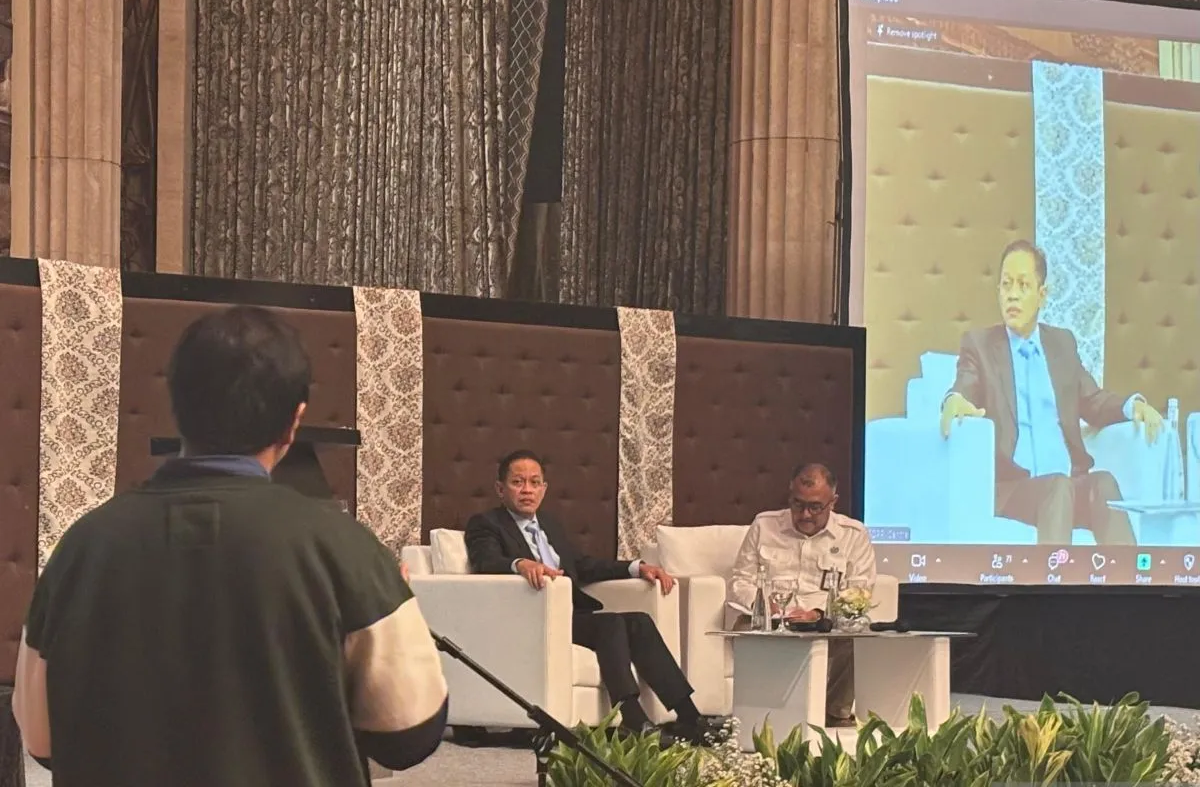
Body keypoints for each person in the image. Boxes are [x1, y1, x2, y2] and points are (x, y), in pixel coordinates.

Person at [13, 306, 448, 787]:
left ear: (178, 407)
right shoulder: (347, 550)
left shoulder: (80, 549)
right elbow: (408, 735)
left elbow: (41, 740)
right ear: (294, 420)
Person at [464, 449, 721, 744]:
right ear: (500, 489)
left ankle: (689, 718)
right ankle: (632, 718)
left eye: (535, 483)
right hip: (533, 618)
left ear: (544, 489)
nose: (527, 490)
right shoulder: (486, 523)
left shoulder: (549, 524)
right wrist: (520, 564)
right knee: (609, 624)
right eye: (517, 482)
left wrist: (635, 568)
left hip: (570, 615)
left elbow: (583, 565)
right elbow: (486, 561)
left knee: (638, 622)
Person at [941, 240, 1162, 544]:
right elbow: (965, 384)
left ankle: (1127, 575)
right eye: (1006, 285)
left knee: (1103, 483)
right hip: (1015, 489)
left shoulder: (1061, 344)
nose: (1012, 294)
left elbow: (1091, 400)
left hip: (1068, 484)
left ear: (1042, 294)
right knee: (1057, 488)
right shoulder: (980, 345)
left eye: (1023, 285)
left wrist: (1131, 406)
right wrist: (955, 400)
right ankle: (1053, 576)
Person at [729, 464, 876, 727]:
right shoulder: (764, 525)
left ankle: (835, 714)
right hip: (772, 620)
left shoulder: (853, 534)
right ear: (790, 496)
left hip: (823, 622)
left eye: (815, 507)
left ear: (833, 502)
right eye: (798, 504)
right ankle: (756, 715)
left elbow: (859, 590)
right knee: (743, 627)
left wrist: (818, 614)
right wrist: (764, 605)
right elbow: (740, 579)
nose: (805, 514)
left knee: (855, 634)